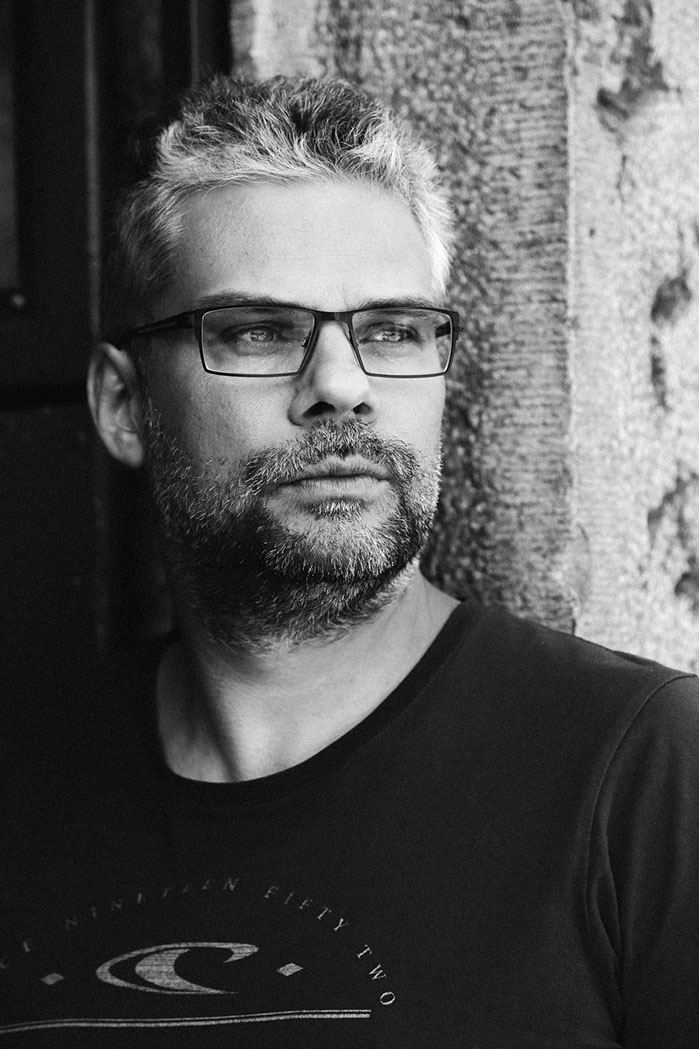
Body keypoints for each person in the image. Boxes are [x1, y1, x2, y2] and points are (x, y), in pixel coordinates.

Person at [1, 74, 698, 1048]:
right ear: (125, 406)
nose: (340, 384)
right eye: (257, 330)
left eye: (393, 331)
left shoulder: (645, 772)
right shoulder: (24, 793)